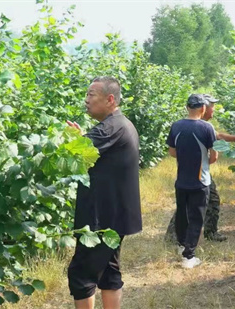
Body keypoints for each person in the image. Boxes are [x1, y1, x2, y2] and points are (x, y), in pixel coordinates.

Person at [66, 76, 142, 309]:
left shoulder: (110, 128)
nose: (86, 100)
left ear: (110, 99)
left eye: (91, 95)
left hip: (103, 218)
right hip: (115, 215)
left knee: (81, 273)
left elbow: (70, 154)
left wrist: (65, 142)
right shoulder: (119, 124)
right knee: (109, 271)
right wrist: (80, 140)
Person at [164, 94, 235, 243]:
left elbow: (218, 136)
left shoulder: (184, 125)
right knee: (201, 200)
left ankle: (181, 235)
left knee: (193, 201)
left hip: (188, 171)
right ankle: (180, 235)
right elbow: (214, 151)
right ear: (204, 108)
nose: (213, 110)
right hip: (199, 172)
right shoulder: (203, 126)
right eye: (212, 107)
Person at [166, 94, 218, 268]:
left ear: (187, 107)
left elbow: (172, 152)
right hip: (200, 181)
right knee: (197, 217)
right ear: (203, 108)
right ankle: (189, 256)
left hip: (181, 180)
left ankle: (182, 246)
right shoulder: (207, 128)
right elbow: (214, 156)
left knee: (182, 214)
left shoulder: (176, 126)